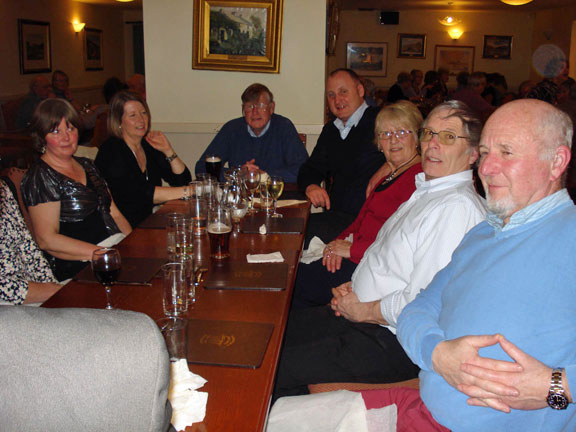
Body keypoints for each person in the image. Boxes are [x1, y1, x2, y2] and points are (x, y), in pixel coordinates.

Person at [345, 98, 576, 431]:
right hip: (422, 410)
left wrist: (557, 386)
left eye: (506, 153)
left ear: (556, 162)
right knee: (282, 414)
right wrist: (438, 354)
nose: (486, 168)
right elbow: (416, 310)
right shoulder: (483, 233)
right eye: (484, 153)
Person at [273, 101, 486, 400]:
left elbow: (425, 304)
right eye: (429, 133)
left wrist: (364, 308)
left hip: (393, 340)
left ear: (474, 153)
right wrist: (355, 285)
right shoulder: (429, 190)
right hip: (366, 315)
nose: (433, 144)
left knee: (273, 365)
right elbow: (390, 258)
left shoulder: (455, 208)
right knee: (274, 332)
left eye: (448, 137)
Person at [292, 101, 423, 309]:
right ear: (379, 143)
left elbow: (399, 246)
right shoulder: (389, 174)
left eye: (401, 132)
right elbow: (361, 218)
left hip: (371, 267)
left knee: (291, 282)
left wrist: (352, 250)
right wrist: (337, 244)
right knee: (291, 273)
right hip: (355, 254)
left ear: (416, 137)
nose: (393, 140)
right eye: (385, 134)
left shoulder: (418, 180)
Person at [21, 99, 132, 281]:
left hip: (111, 251)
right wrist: (103, 254)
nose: (66, 137)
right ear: (42, 136)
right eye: (56, 131)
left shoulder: (87, 165)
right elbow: (47, 240)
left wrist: (131, 246)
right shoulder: (40, 176)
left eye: (70, 129)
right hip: (77, 266)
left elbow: (115, 214)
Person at [298, 69, 386, 245]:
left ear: (360, 91)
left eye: (343, 92)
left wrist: (389, 166)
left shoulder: (380, 120)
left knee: (297, 237)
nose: (337, 100)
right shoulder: (331, 131)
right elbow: (310, 168)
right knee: (293, 231)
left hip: (371, 222)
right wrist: (311, 186)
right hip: (338, 218)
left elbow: (413, 153)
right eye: (331, 95)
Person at [95, 91, 192, 228]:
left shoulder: (147, 145)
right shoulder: (112, 151)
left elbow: (182, 180)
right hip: (118, 227)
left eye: (143, 113)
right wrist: (191, 191)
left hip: (147, 221)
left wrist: (168, 150)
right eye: (132, 115)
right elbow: (140, 194)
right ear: (119, 121)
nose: (141, 120)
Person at [194, 83, 307, 183]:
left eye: (260, 106)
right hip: (238, 200)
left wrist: (264, 175)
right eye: (250, 106)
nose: (255, 112)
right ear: (243, 110)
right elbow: (202, 168)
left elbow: (303, 170)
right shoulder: (232, 129)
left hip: (275, 197)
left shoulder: (284, 127)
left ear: (271, 108)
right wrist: (238, 174)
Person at [0, 179, 61, 304]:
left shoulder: (3, 188)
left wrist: (52, 286)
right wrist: (53, 291)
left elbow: (27, 247)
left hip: (33, 295)